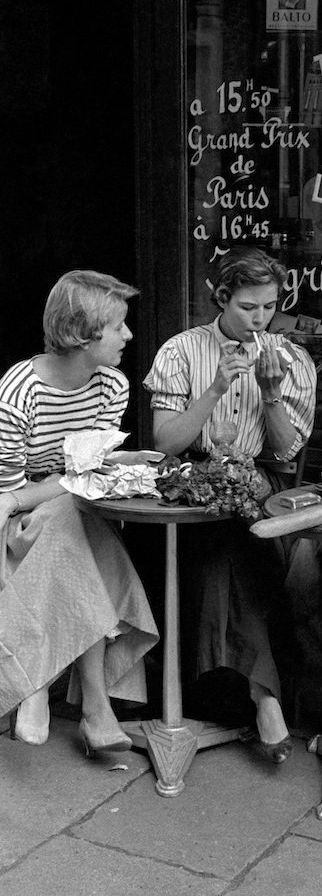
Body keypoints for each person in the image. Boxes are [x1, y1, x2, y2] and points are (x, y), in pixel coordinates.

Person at [143, 246, 316, 763]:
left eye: (269, 306)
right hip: (184, 494)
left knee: (233, 544)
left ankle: (255, 695)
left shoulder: (289, 358)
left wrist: (269, 394)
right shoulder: (181, 351)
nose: (261, 318)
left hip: (257, 489)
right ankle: (264, 697)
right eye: (248, 307)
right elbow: (166, 444)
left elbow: (287, 452)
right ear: (221, 299)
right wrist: (217, 386)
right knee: (226, 542)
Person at [0, 270, 159, 754]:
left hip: (68, 513)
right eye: (118, 326)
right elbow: (7, 495)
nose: (129, 335)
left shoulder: (111, 386)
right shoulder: (18, 391)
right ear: (80, 333)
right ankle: (94, 705)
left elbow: (85, 474)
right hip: (16, 528)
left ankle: (40, 680)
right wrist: (70, 482)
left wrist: (115, 465)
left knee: (75, 516)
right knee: (74, 516)